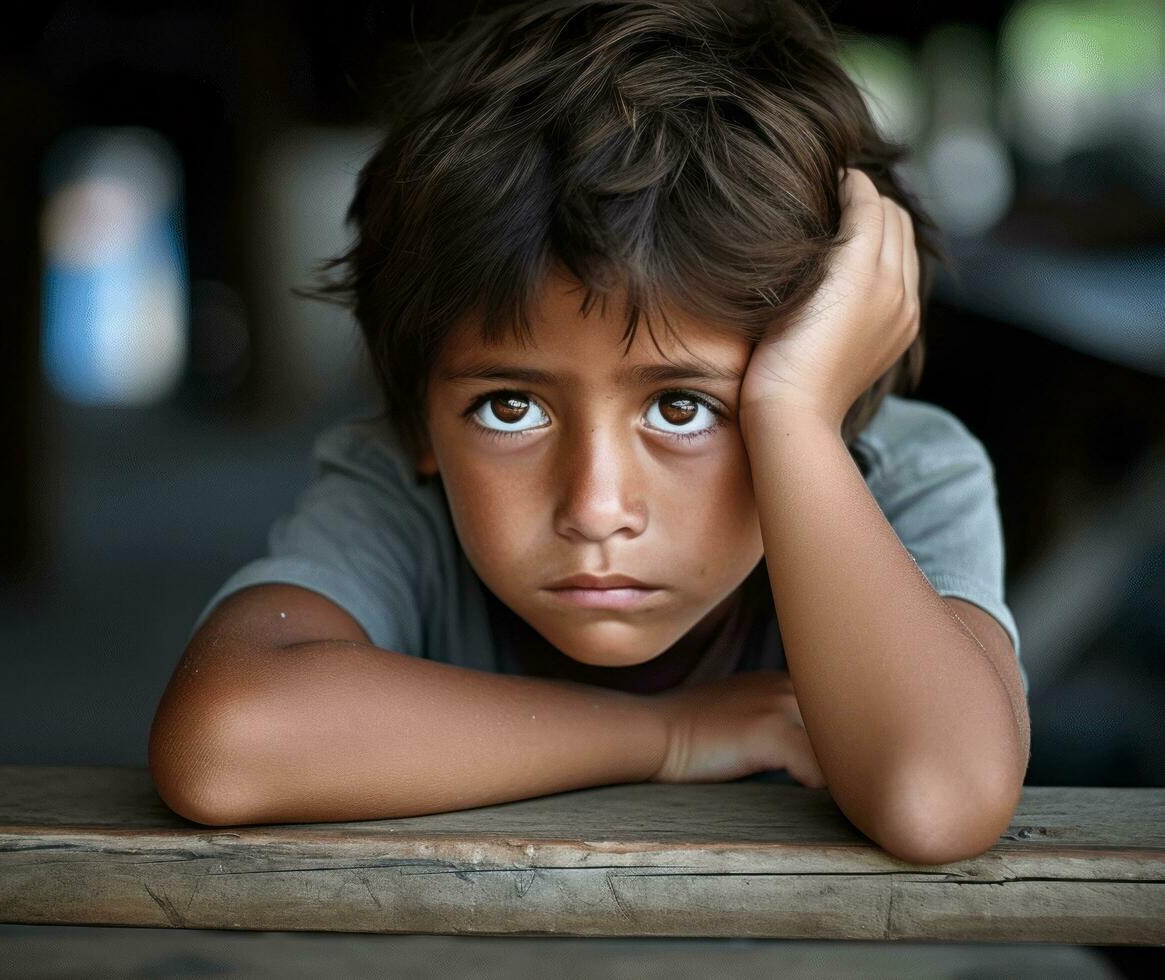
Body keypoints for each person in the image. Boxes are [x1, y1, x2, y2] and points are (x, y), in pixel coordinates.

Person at [149, 0, 1031, 865]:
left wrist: (795, 420)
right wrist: (669, 735)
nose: (595, 507)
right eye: (510, 408)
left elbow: (936, 801)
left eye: (683, 408)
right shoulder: (403, 494)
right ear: (422, 418)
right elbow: (224, 744)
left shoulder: (899, 471)